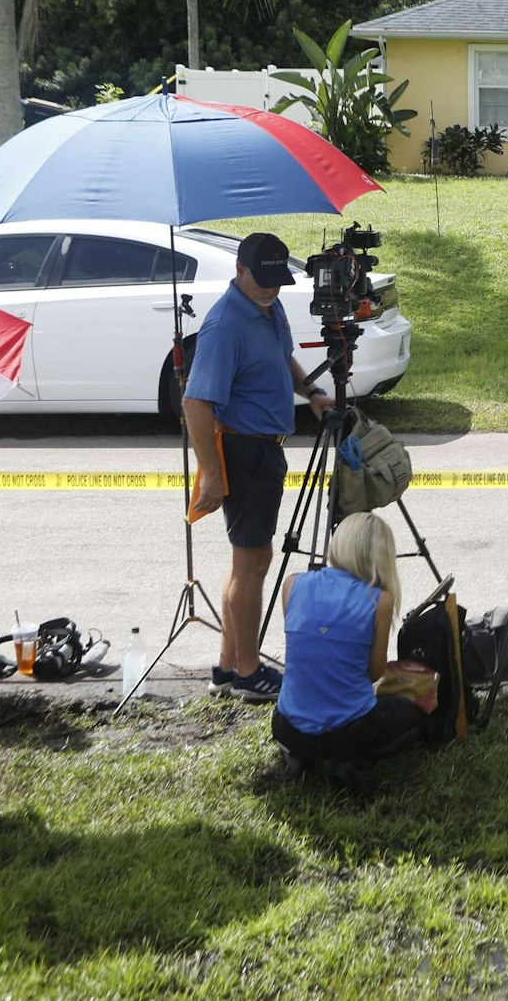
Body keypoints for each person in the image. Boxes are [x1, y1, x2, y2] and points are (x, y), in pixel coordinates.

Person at [184, 232, 333, 703]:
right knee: (253, 565)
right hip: (243, 452)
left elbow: (281, 355)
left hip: (264, 448)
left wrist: (311, 393)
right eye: (262, 280)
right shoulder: (225, 324)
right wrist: (211, 473)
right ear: (239, 271)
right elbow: (195, 403)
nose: (271, 289)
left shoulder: (267, 308)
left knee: (246, 562)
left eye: (277, 281)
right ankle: (250, 674)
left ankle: (228, 666)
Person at [271, 512, 425, 777]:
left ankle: (301, 755)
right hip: (350, 731)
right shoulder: (380, 600)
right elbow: (374, 673)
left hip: (287, 725)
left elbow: (305, 650)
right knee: (412, 710)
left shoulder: (292, 584)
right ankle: (351, 762)